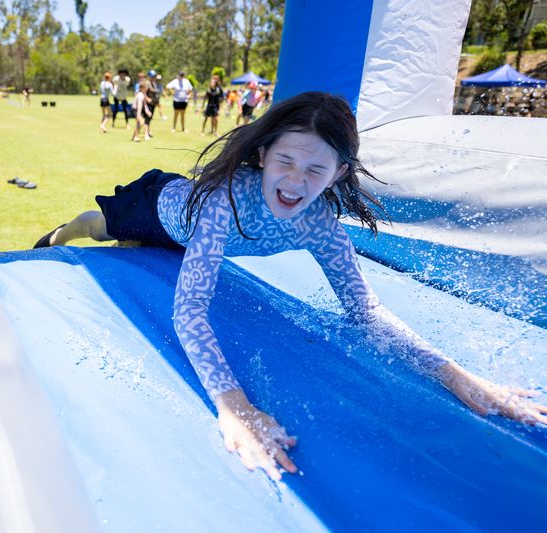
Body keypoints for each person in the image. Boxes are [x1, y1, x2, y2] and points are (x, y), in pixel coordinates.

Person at [31, 92, 547, 481]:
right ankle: (56, 235)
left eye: (316, 169)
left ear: (339, 173)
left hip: (194, 240)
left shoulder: (321, 227)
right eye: (285, 161)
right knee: (97, 227)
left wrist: (455, 375)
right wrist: (234, 406)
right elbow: (189, 311)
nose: (296, 182)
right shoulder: (224, 202)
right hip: (159, 209)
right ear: (262, 155)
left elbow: (366, 313)